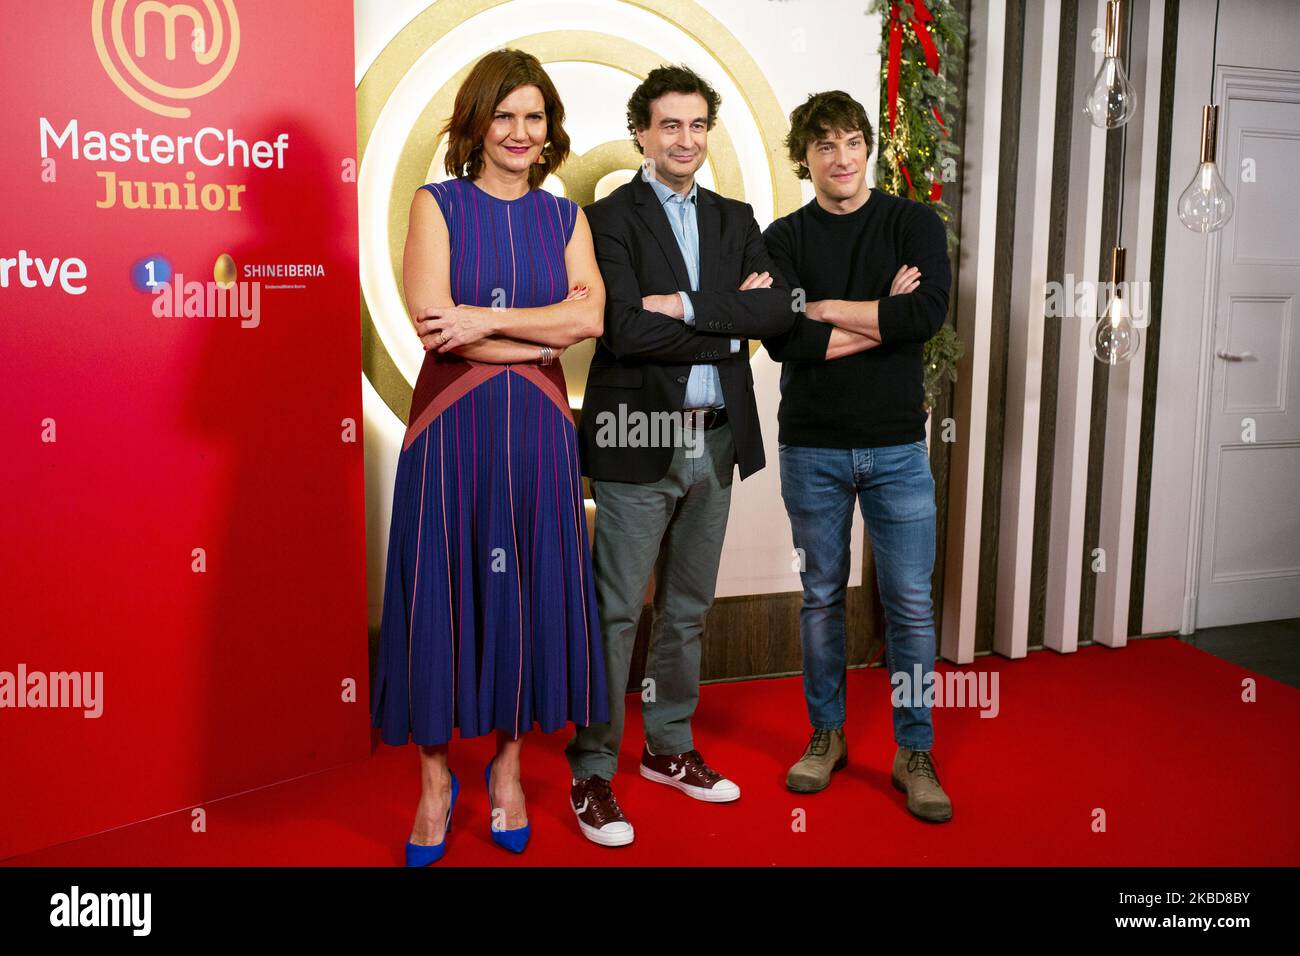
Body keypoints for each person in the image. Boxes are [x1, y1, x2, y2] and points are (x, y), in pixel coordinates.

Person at [371, 49, 609, 864]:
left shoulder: (567, 218)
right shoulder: (434, 206)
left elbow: (593, 323)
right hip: (451, 431)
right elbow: (437, 326)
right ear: (475, 124)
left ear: (551, 132)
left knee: (522, 599)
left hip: (541, 433)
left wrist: (484, 322)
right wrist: (528, 331)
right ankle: (436, 783)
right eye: (503, 115)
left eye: (534, 117)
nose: (519, 132)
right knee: (439, 593)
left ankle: (506, 772)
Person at [564, 64, 796, 847]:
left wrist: (692, 307)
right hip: (640, 434)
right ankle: (593, 766)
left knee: (688, 610)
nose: (686, 140)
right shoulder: (607, 217)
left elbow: (776, 310)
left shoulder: (736, 217)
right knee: (617, 610)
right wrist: (729, 321)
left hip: (715, 435)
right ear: (641, 132)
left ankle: (668, 748)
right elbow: (624, 329)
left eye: (698, 126)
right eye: (670, 125)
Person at [761, 90, 955, 822]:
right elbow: (780, 336)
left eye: (851, 142)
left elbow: (926, 314)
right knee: (820, 599)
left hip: (898, 447)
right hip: (811, 447)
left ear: (867, 147)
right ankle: (827, 735)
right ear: (804, 157)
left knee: (908, 603)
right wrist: (881, 313)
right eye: (823, 146)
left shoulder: (911, 223)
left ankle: (914, 751)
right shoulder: (782, 239)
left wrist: (825, 307)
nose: (840, 158)